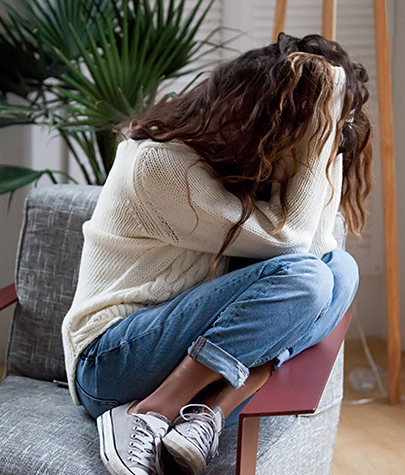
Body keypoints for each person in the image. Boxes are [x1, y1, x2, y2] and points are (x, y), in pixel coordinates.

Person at [60, 33, 373, 475]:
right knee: (309, 278)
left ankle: (207, 414)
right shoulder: (159, 163)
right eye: (309, 130)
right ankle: (149, 411)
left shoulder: (239, 170)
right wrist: (320, 129)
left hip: (175, 351)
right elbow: (293, 246)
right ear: (256, 112)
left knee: (340, 269)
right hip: (110, 360)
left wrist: (330, 131)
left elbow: (318, 249)